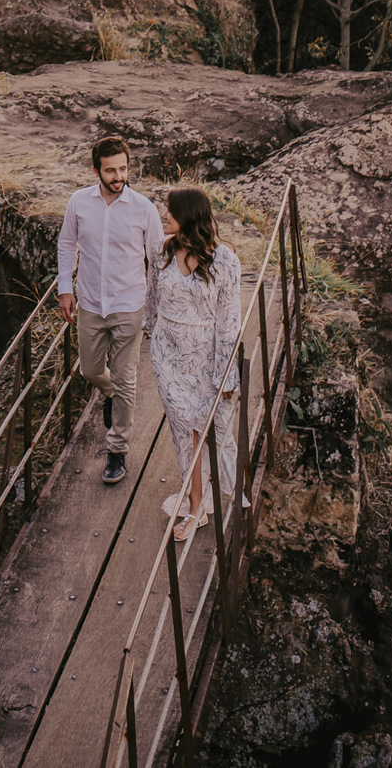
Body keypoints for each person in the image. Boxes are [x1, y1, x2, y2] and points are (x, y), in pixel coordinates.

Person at [58, 136, 164, 486]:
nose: (118, 176)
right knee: (90, 370)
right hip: (89, 303)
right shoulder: (78, 202)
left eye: (122, 169)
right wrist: (64, 288)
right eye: (110, 170)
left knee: (126, 377)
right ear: (96, 170)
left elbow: (158, 260)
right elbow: (66, 244)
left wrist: (154, 308)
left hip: (128, 306)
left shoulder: (143, 208)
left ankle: (117, 450)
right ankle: (112, 395)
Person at [150, 185, 241, 544]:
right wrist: (149, 329)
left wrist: (225, 374)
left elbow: (229, 322)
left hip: (205, 359)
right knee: (183, 429)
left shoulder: (225, 261)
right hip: (167, 358)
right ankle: (196, 504)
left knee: (203, 428)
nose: (164, 215)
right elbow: (155, 296)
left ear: (187, 215)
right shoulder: (165, 252)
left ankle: (201, 499)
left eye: (169, 210)